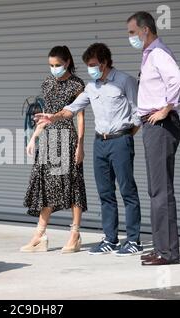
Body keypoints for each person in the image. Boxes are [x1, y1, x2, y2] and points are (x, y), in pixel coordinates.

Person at [36, 43, 143, 256]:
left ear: (104, 63)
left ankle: (133, 240)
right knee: (105, 193)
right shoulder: (91, 87)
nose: (90, 69)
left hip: (120, 140)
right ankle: (110, 239)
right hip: (99, 143)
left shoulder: (125, 81)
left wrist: (126, 136)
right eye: (88, 65)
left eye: (93, 65)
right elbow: (72, 109)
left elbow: (137, 112)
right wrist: (52, 117)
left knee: (127, 191)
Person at [127, 12, 180, 265]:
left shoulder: (159, 53)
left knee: (161, 191)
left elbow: (178, 79)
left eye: (132, 32)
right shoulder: (150, 54)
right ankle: (161, 247)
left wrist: (166, 108)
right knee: (156, 190)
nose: (130, 37)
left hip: (160, 125)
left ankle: (168, 252)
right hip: (153, 125)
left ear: (145, 30)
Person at [21, 45, 88, 254]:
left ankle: (75, 234)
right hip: (50, 139)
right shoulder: (48, 83)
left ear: (67, 62)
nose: (54, 68)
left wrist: (80, 145)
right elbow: (47, 114)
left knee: (73, 183)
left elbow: (80, 116)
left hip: (68, 138)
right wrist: (34, 138)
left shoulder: (77, 84)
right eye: (51, 65)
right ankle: (39, 236)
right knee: (46, 186)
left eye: (58, 65)